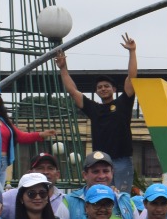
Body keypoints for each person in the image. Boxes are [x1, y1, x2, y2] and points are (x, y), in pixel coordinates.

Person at [55, 35, 139, 191]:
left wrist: (132, 51)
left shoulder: (123, 103)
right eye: (99, 87)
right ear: (96, 92)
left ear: (114, 89)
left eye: (106, 86)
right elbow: (73, 91)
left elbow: (132, 78)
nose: (103, 89)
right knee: (100, 196)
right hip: (100, 162)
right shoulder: (93, 108)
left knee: (121, 197)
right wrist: (63, 68)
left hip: (122, 161)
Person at [1, 150, 65, 214]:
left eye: (50, 168)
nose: (45, 172)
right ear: (30, 173)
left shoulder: (65, 200)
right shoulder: (11, 196)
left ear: (57, 174)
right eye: (40, 168)